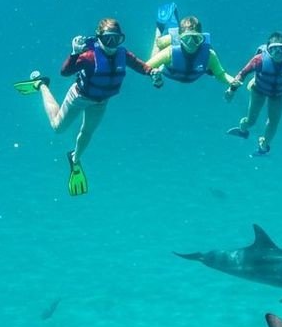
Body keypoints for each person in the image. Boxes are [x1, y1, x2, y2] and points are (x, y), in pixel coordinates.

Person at [15, 18, 153, 197]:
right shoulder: (89, 56)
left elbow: (140, 65)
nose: (112, 44)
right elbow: (65, 73)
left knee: (87, 132)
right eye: (107, 39)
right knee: (58, 128)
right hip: (79, 97)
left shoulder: (123, 54)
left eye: (116, 39)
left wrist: (152, 72)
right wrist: (74, 53)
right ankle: (41, 84)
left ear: (121, 39)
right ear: (99, 38)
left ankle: (75, 159)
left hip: (101, 102)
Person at [225, 32, 282, 156]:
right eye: (274, 50)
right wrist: (232, 90)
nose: (278, 53)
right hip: (259, 90)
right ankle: (243, 131)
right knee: (251, 121)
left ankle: (263, 146)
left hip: (278, 95)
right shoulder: (259, 60)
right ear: (268, 50)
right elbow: (242, 73)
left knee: (273, 122)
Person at [145, 11, 234, 89]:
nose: (191, 43)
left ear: (201, 38)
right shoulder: (170, 52)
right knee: (159, 43)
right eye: (186, 39)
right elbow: (146, 66)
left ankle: (178, 33)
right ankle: (160, 31)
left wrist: (233, 81)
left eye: (195, 39)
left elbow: (220, 74)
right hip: (168, 70)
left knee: (211, 71)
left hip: (187, 71)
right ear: (180, 39)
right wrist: (152, 73)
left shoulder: (209, 55)